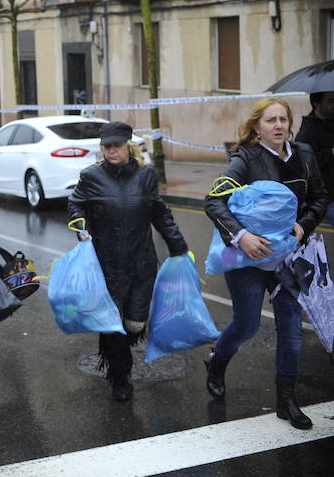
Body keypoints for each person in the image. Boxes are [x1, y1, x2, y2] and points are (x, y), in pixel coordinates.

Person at [204, 97, 327, 430]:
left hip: (289, 257)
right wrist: (241, 235)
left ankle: (286, 401)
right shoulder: (245, 158)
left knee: (291, 330)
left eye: (283, 119)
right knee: (247, 325)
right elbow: (214, 202)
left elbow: (319, 196)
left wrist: (305, 225)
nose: (278, 126)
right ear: (257, 127)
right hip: (250, 258)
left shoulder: (303, 154)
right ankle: (216, 363)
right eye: (271, 120)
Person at [67, 121, 188, 402]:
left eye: (116, 146)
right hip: (106, 266)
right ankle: (120, 376)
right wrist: (80, 225)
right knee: (112, 326)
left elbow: (159, 212)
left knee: (134, 323)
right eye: (106, 146)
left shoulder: (146, 176)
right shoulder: (90, 176)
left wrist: (178, 247)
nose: (111, 151)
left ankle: (119, 354)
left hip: (141, 264)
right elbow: (76, 204)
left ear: (128, 146)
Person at [294, 91, 334, 223]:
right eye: (331, 101)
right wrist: (330, 152)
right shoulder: (307, 132)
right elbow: (304, 165)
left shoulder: (330, 123)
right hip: (322, 196)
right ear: (317, 103)